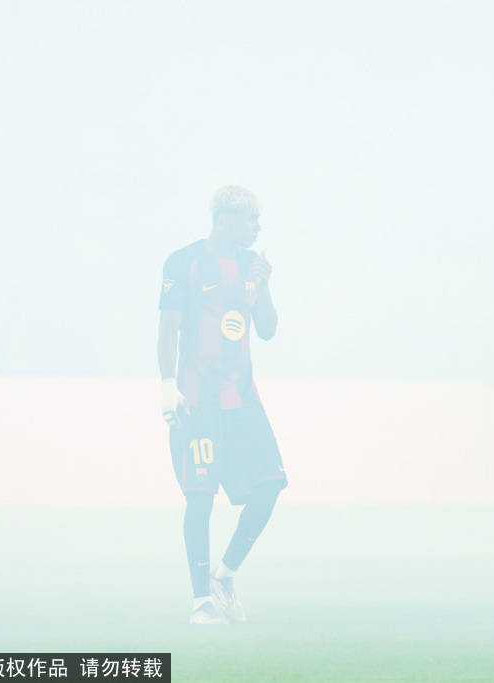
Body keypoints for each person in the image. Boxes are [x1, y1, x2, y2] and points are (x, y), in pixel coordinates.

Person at [156, 185, 287, 625]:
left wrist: (264, 286)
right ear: (225, 218)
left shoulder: (251, 265)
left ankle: (224, 576)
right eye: (251, 220)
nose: (257, 228)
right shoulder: (184, 262)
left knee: (271, 485)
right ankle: (201, 603)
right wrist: (168, 386)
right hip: (199, 401)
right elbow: (168, 330)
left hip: (243, 400)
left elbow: (267, 329)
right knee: (200, 498)